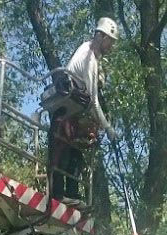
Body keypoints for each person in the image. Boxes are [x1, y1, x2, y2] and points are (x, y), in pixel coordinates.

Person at [48, 17, 118, 204]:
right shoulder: (90, 61)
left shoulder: (86, 49)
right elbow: (94, 102)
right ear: (101, 36)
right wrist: (108, 128)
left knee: (74, 151)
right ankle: (58, 195)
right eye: (110, 41)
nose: (111, 46)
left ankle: (71, 194)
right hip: (66, 109)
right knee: (60, 151)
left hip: (70, 109)